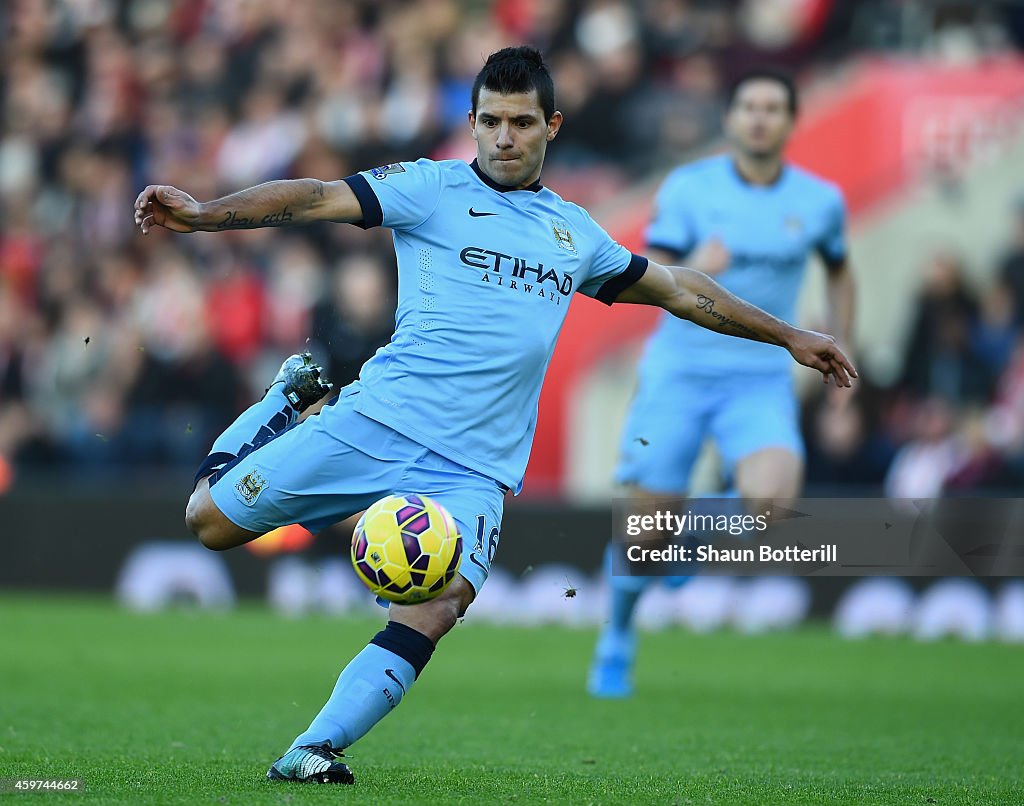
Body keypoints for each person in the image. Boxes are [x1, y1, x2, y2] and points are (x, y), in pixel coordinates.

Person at [134, 48, 855, 784]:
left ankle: (312, 750)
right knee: (209, 525)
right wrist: (204, 215)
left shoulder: (575, 236)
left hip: (474, 468)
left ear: (552, 127)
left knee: (438, 605)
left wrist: (792, 334)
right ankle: (282, 402)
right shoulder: (427, 188)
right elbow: (315, 195)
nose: (504, 137)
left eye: (520, 122)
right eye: (489, 121)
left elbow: (678, 289)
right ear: (471, 124)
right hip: (377, 420)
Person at [589, 67, 856, 698]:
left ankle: (688, 543)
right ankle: (618, 634)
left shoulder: (818, 202)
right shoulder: (688, 188)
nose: (760, 117)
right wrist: (693, 268)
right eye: (748, 105)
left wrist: (840, 338)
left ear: (791, 122)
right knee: (640, 536)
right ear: (731, 119)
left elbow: (841, 272)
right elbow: (652, 279)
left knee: (773, 504)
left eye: (773, 107)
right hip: (679, 372)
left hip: (760, 379)